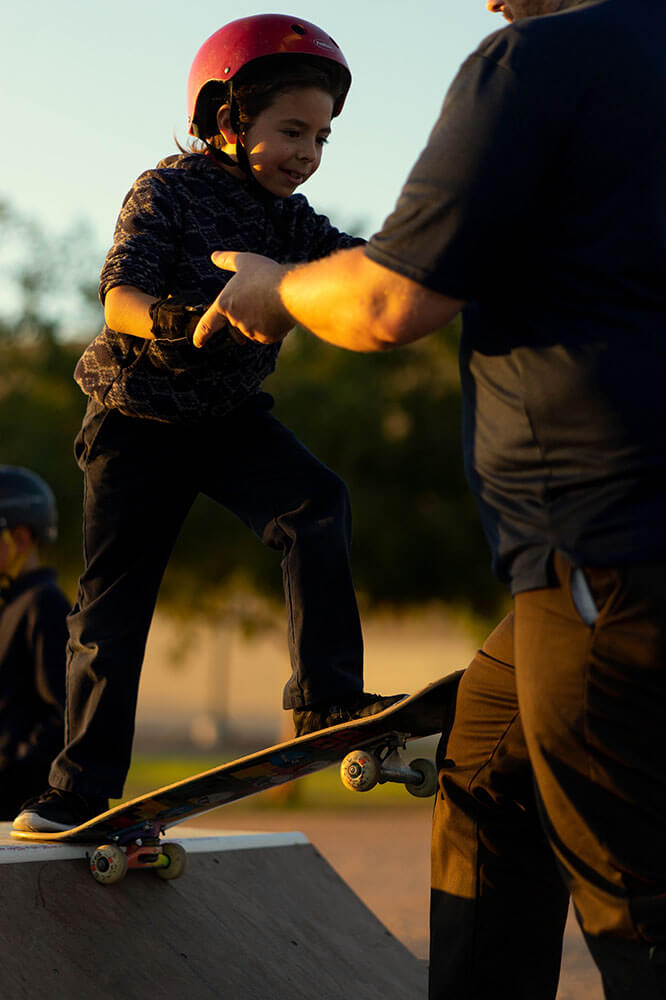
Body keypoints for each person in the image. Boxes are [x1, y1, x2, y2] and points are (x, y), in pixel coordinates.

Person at [187, 0, 666, 996]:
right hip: (578, 575)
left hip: (608, 550)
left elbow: (389, 298)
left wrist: (279, 288)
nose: (486, 1)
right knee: (488, 755)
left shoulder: (536, 63)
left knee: (638, 908)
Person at [13, 14, 402, 835]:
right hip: (134, 420)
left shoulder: (295, 223)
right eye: (291, 129)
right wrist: (179, 320)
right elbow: (118, 296)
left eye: (323, 137)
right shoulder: (168, 190)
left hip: (226, 419)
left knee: (316, 503)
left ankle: (328, 702)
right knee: (114, 606)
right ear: (227, 120)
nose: (308, 152)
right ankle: (77, 790)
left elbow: (371, 264)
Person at [0, 467, 67, 820]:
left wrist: (13, 770)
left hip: (18, 811)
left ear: (21, 539)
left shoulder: (45, 605)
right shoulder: (9, 605)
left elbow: (63, 714)